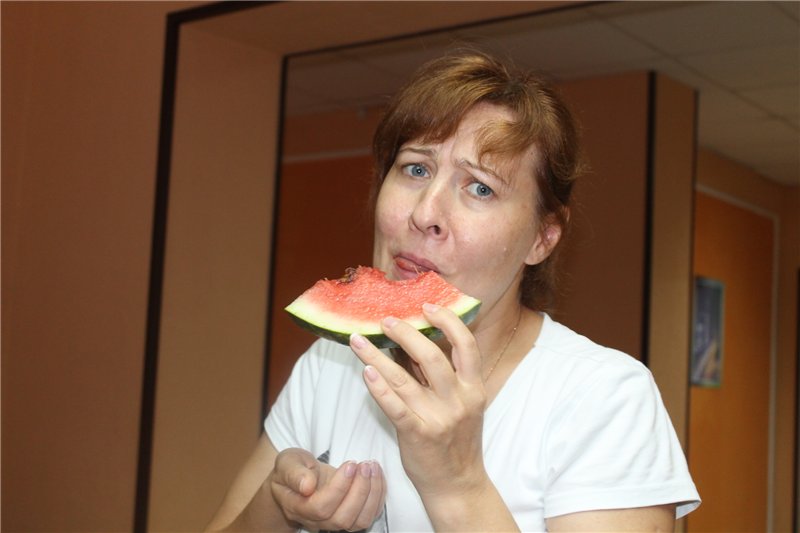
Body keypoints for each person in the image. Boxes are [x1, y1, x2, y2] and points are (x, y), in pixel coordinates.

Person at [206, 50, 700, 532]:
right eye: (416, 169)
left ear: (542, 237)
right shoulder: (331, 363)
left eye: (480, 187)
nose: (425, 213)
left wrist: (457, 484)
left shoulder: (604, 398)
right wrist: (278, 504)